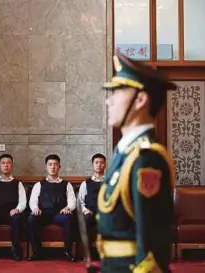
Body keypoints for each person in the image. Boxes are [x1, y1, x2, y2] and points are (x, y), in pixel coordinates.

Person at [96, 52, 176, 273]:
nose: (108, 100)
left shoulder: (146, 158)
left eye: (117, 91)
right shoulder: (125, 152)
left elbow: (151, 249)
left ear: (140, 99)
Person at [28, 154, 76, 262]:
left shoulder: (66, 184)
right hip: (44, 214)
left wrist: (68, 208)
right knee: (31, 219)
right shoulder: (39, 185)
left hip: (60, 214)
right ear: (46, 167)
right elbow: (33, 201)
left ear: (59, 167)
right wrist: (35, 208)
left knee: (69, 217)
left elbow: (72, 201)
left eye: (55, 164)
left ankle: (67, 251)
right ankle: (37, 252)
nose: (53, 167)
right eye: (50, 164)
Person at [0, 153, 27, 260]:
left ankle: (15, 250)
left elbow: (23, 202)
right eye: (3, 163)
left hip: (11, 213)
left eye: (8, 163)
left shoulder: (18, 184)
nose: (6, 165)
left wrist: (17, 209)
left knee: (17, 219)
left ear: (12, 165)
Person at [77, 153, 106, 269]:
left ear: (105, 165)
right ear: (93, 165)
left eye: (101, 162)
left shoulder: (109, 181)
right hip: (90, 212)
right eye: (97, 162)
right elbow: (81, 201)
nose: (99, 165)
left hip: (105, 212)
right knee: (86, 221)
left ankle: (108, 254)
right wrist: (84, 210)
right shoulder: (86, 183)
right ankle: (87, 253)